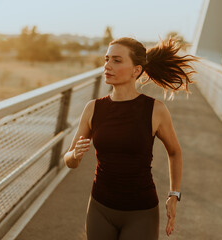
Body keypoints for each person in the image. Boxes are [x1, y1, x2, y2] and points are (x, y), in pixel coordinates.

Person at [63, 37, 198, 239]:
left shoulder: (155, 110)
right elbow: (69, 162)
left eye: (117, 60)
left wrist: (174, 194)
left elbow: (174, 151)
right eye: (107, 59)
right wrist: (75, 154)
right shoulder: (93, 108)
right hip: (100, 208)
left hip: (141, 212)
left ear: (136, 70)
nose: (107, 65)